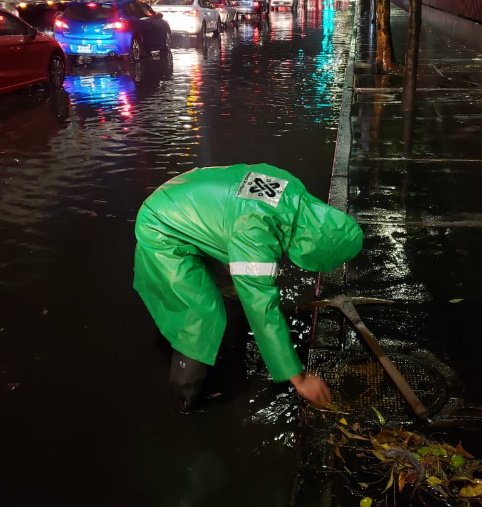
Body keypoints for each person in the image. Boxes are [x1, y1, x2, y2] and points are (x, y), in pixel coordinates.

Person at [133, 163, 364, 413]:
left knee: (229, 286)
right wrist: (299, 378)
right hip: (161, 225)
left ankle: (224, 341)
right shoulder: (255, 236)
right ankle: (185, 400)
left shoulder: (293, 190)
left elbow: (238, 207)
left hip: (183, 194)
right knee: (199, 317)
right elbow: (262, 309)